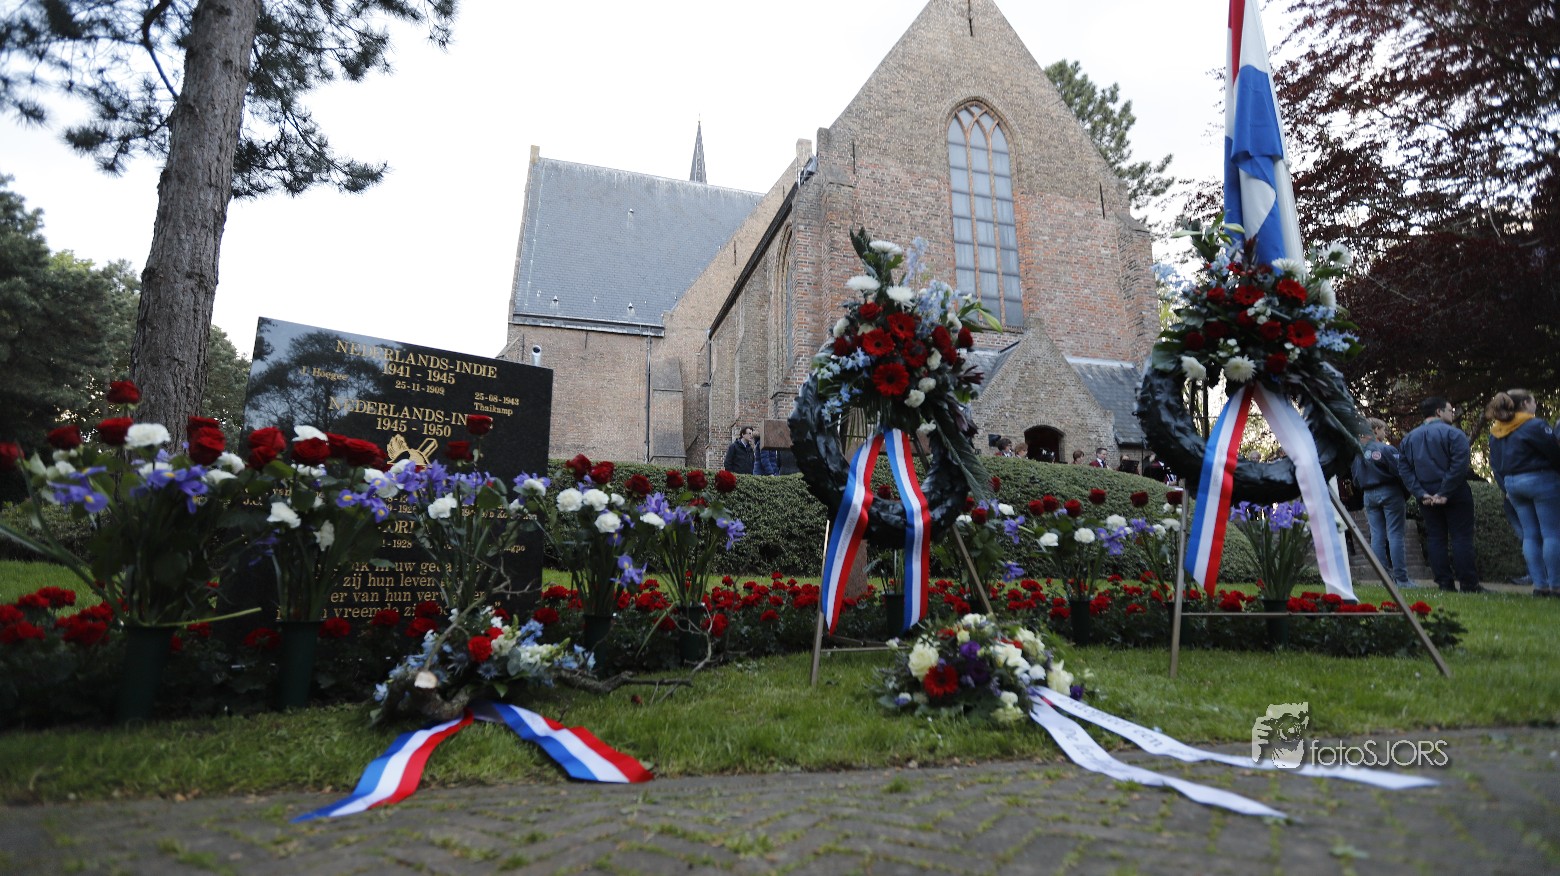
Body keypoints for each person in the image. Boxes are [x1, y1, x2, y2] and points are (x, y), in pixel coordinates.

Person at [1397, 397, 1484, 593]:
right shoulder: (1454, 434)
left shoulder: (1409, 439)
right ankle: (1469, 584)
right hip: (1455, 491)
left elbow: (1404, 469)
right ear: (1438, 412)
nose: (1452, 414)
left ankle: (1444, 583)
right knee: (1461, 537)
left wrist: (1420, 493)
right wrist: (1445, 491)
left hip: (1426, 493)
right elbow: (1460, 465)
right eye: (1450, 410)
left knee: (1436, 537)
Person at [1487, 389, 1560, 598]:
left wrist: (1506, 488)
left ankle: (1540, 585)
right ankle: (1556, 585)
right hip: (1541, 480)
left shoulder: (1496, 430)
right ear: (1526, 403)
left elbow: (1495, 464)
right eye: (1534, 401)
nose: (1535, 405)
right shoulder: (1535, 425)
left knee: (1530, 536)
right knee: (1552, 534)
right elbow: (1554, 453)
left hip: (1513, 484)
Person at [1352, 418, 1417, 589]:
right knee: (1395, 534)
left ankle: (1385, 579)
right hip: (1390, 492)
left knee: (1377, 536)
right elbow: (1401, 472)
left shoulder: (1357, 453)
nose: (1385, 433)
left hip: (1368, 495)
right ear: (1375, 430)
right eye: (1383, 429)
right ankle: (1402, 579)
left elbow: (1355, 479)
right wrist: (1405, 493)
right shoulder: (1386, 449)